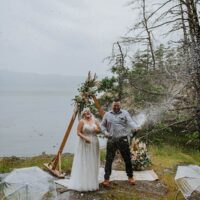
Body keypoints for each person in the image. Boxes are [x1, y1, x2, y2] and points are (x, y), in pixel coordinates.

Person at [101, 99, 139, 186]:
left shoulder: (125, 113)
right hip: (111, 140)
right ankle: (106, 179)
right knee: (109, 160)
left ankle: (130, 177)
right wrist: (105, 132)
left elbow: (130, 122)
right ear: (112, 105)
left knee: (127, 159)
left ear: (120, 105)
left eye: (118, 105)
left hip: (123, 139)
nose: (116, 107)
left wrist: (135, 127)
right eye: (115, 105)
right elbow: (102, 125)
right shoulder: (107, 114)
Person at [68, 108, 100, 191]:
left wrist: (97, 130)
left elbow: (99, 130)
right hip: (84, 143)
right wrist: (85, 138)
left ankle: (93, 182)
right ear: (83, 114)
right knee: (85, 161)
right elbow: (78, 132)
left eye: (89, 112)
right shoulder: (82, 121)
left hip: (94, 142)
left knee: (93, 161)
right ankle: (84, 183)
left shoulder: (95, 120)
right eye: (86, 112)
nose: (88, 113)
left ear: (90, 112)